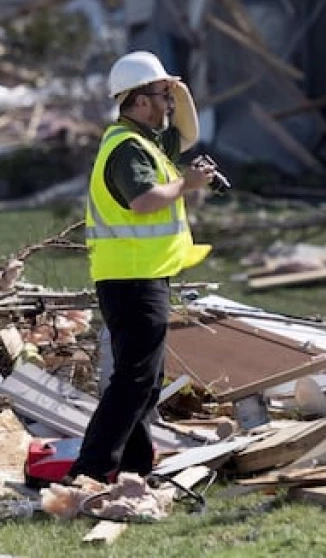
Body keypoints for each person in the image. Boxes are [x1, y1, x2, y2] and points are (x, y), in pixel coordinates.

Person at [67, 50, 215, 483]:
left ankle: (134, 467)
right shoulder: (128, 149)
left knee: (145, 382)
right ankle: (90, 470)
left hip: (141, 275)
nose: (167, 104)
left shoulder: (147, 141)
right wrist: (186, 184)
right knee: (134, 381)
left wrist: (179, 90)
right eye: (160, 95)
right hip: (132, 278)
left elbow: (188, 134)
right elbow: (144, 201)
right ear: (137, 100)